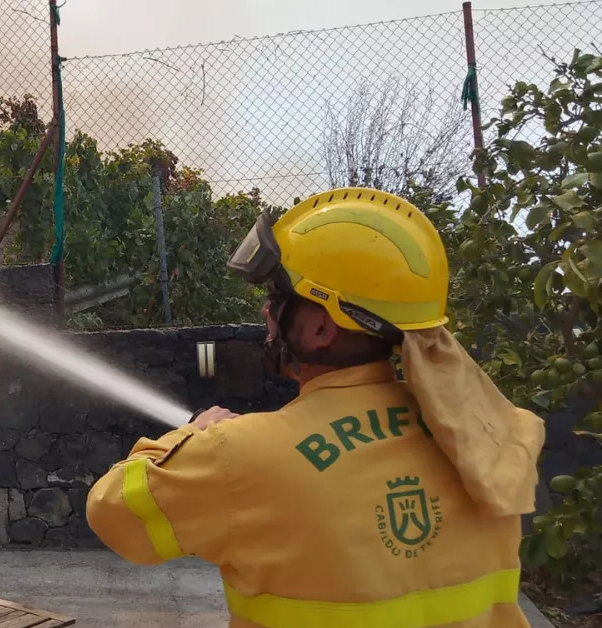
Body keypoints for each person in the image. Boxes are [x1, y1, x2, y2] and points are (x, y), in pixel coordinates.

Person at [86, 187, 546, 628]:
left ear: (321, 328)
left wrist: (194, 432)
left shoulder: (239, 457)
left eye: (278, 299)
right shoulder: (485, 437)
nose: (266, 313)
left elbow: (113, 513)